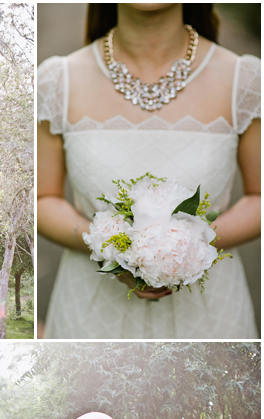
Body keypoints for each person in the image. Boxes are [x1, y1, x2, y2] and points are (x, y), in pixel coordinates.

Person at [36, 3, 260, 338]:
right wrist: (112, 249)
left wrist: (183, 250)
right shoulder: (57, 82)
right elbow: (41, 198)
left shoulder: (245, 80)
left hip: (211, 319)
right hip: (90, 316)